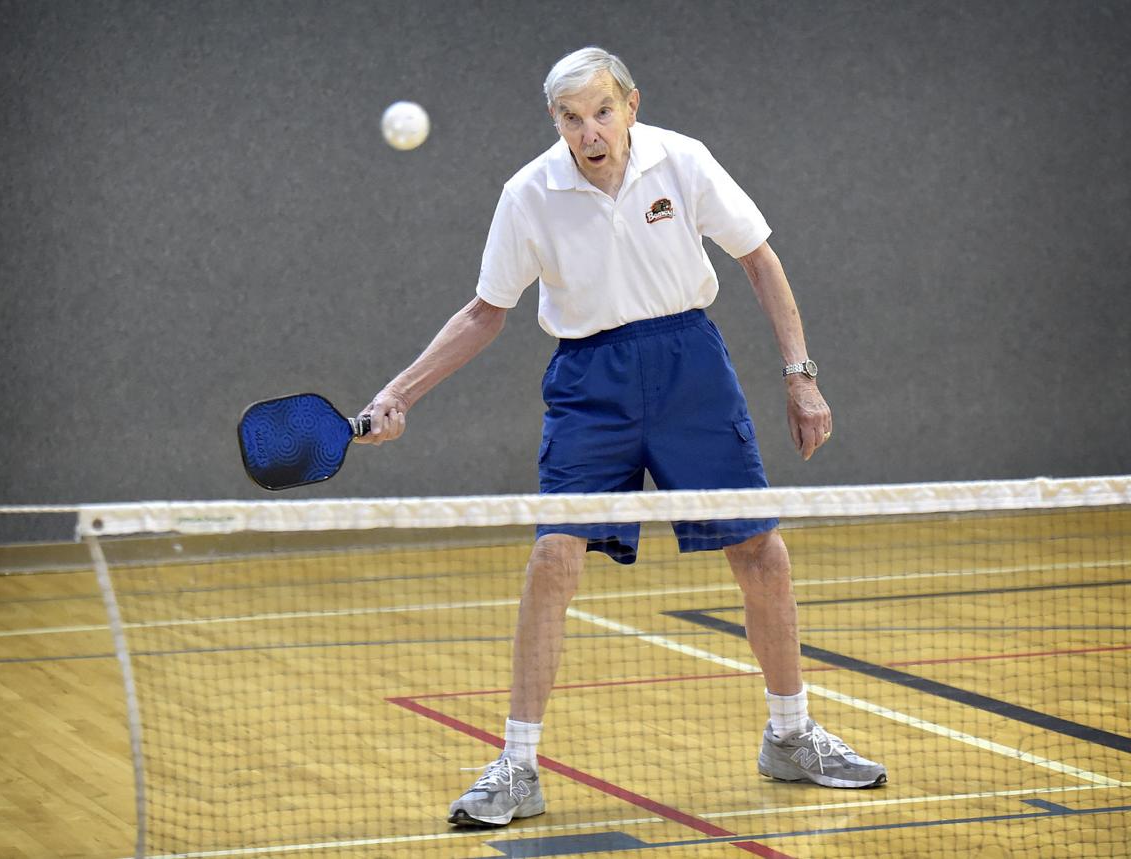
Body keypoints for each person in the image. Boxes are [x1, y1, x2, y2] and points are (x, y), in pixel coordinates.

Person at [357, 46, 887, 828]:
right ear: (556, 122)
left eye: (602, 110)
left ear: (631, 104)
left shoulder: (683, 160)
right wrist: (398, 393)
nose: (589, 130)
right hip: (589, 383)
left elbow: (759, 258)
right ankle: (518, 764)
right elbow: (485, 311)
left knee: (761, 551)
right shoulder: (529, 192)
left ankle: (790, 734)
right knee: (553, 556)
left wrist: (798, 374)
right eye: (572, 118)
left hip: (690, 369)